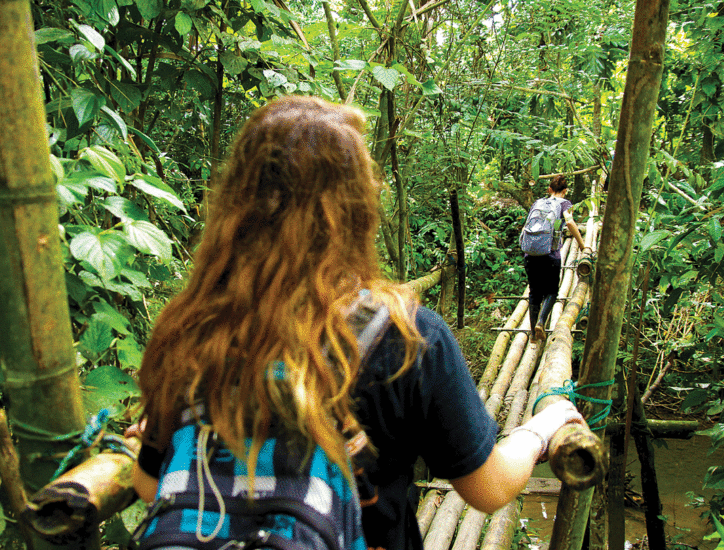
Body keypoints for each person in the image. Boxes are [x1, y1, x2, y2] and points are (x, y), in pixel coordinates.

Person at [129, 96, 585, 550]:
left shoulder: (191, 329)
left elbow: (153, 487)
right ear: (357, 207)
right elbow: (490, 489)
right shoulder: (407, 337)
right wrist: (538, 430)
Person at [523, 175, 589, 339]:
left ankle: (533, 334)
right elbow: (570, 223)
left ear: (549, 189)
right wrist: (582, 245)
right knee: (552, 291)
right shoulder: (565, 204)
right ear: (565, 191)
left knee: (534, 293)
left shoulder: (537, 203)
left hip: (530, 253)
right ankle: (541, 322)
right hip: (550, 255)